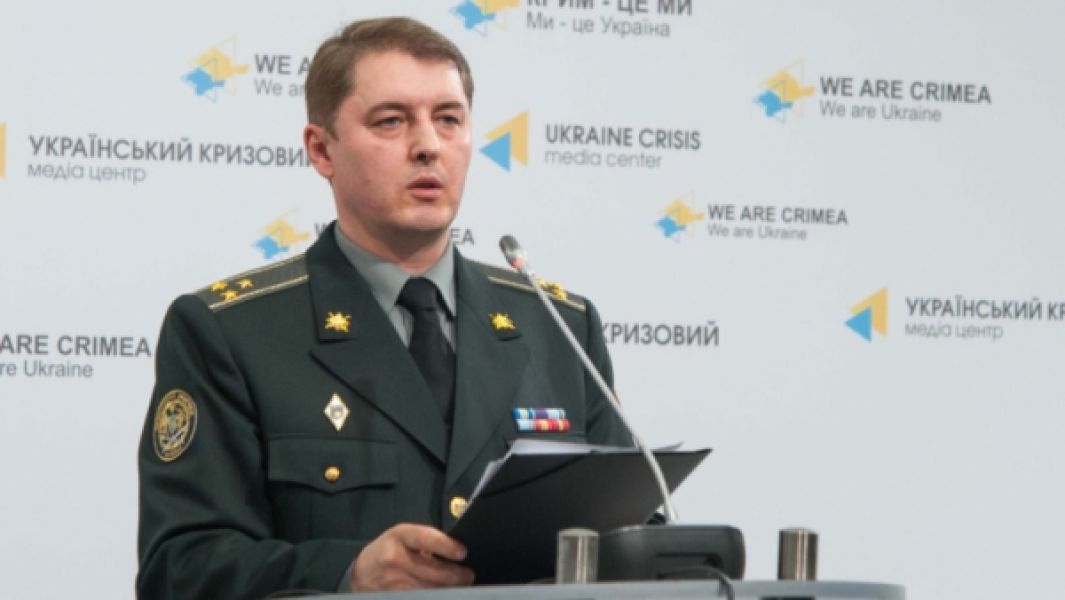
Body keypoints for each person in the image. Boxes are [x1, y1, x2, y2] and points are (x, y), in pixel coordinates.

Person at [137, 16, 630, 599]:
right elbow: (179, 568)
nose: (428, 145)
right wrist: (346, 573)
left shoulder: (560, 326)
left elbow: (628, 533)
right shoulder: (230, 332)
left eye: (448, 119)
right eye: (391, 121)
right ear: (322, 149)